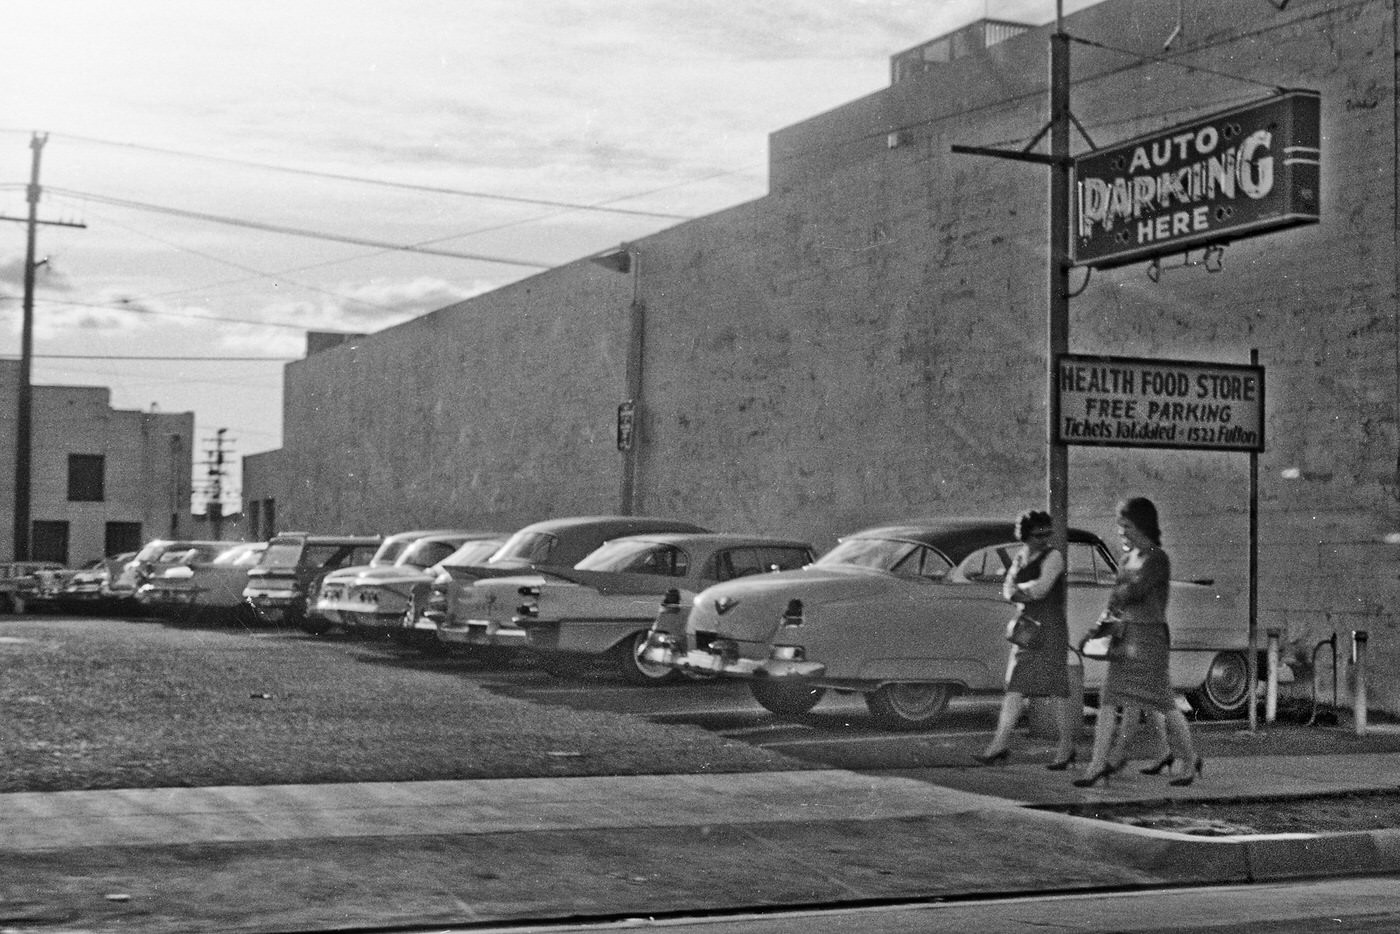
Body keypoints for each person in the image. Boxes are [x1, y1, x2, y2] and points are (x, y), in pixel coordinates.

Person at [1073, 497, 1203, 788]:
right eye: (1120, 525)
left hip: (1149, 639)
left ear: (1142, 525)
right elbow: (1114, 600)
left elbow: (1134, 591)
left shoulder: (1157, 558)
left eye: (1126, 525)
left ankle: (1189, 761)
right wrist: (1096, 631)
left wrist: (1121, 593)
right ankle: (1096, 764)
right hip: (1124, 637)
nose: (1121, 531)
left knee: (1165, 704)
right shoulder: (1125, 559)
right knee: (1108, 702)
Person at [974, 509, 1079, 769]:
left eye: (1046, 533)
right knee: (1015, 687)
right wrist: (1024, 592)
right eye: (1037, 535)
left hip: (1050, 628)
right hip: (1028, 629)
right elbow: (1008, 590)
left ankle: (1066, 748)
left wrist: (1020, 592)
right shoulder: (1022, 556)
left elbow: (1040, 589)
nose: (1043, 539)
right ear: (1025, 536)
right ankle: (999, 744)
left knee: (1057, 688)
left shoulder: (1053, 556)